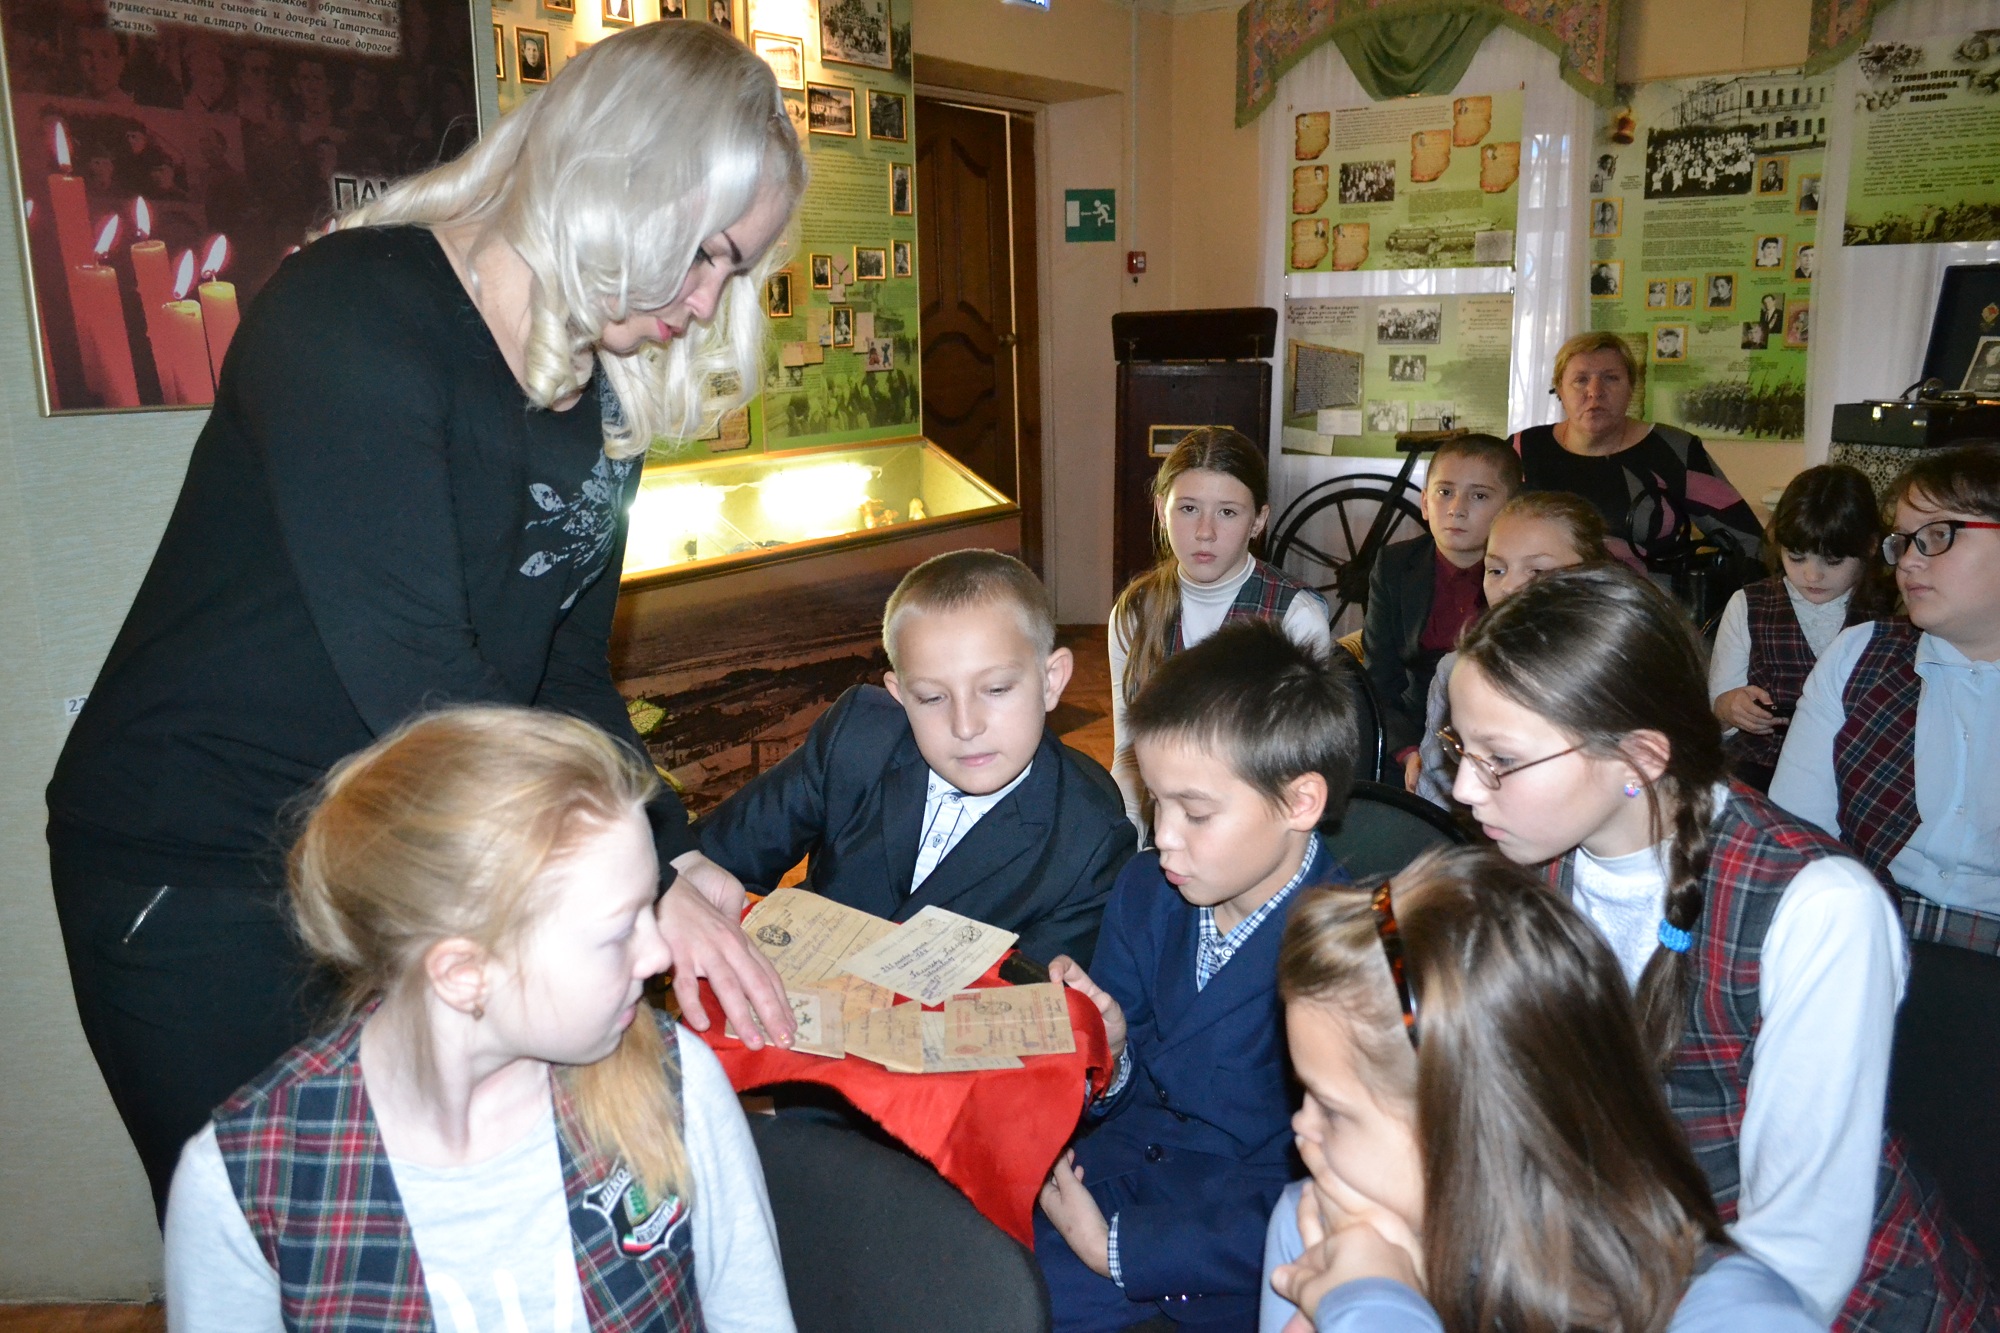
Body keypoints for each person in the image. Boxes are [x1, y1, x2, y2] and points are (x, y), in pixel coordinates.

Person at [46, 22, 807, 1217]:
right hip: (199, 860)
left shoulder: (601, 387)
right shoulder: (353, 315)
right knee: (280, 1238)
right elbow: (421, 685)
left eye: (737, 272)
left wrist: (677, 848)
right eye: (704, 253)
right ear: (620, 176)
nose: (709, 303)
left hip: (402, 855)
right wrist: (636, 884)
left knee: (417, 1227)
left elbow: (561, 670)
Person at [1445, 565, 1995, 1330]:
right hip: (1619, 1262)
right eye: (1460, 746)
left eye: (1499, 759)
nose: (1464, 790)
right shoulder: (1524, 863)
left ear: (1639, 759)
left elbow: (1801, 1253)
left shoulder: (1817, 907)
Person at [162, 706, 792, 1331]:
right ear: (464, 974)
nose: (657, 955)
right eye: (619, 931)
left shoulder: (676, 1084)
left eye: (650, 909)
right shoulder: (247, 1186)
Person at [1259, 846, 1822, 1333]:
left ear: (1474, 1126)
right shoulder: (1316, 1227)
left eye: (1332, 1110)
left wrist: (1372, 1303)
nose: (1300, 1127)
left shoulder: (1728, 1307)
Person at [1035, 621, 1357, 1332]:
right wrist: (1111, 1049)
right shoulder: (1147, 889)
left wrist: (1114, 1248)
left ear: (1300, 802)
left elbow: (1331, 1198)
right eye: (1156, 801)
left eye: (1196, 812)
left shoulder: (1351, 958)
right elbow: (1121, 1095)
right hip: (1102, 1177)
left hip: (1211, 1256)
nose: (1163, 836)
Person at [1770, 443, 2000, 1262]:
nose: (1907, 561)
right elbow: (1798, 847)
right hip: (1881, 953)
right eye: (1903, 540)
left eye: (1939, 535)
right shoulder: (1862, 657)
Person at [698, 550, 1134, 966]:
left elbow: (1035, 1000)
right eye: (931, 697)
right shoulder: (859, 737)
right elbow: (713, 860)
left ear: (1051, 680)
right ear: (900, 695)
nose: (965, 726)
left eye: (996, 689)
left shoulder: (1090, 838)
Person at [1109, 427, 1329, 828]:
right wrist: (1128, 836)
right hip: (1161, 819)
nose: (1205, 532)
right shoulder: (1135, 612)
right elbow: (1128, 751)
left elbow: (1298, 767)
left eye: (1227, 512)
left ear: (1258, 520)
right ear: (1161, 510)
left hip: (1254, 825)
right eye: (1188, 509)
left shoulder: (1295, 615)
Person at [1409, 491, 1608, 807]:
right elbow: (1435, 795)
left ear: (1592, 578)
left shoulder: (1615, 674)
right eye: (1496, 570)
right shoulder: (1456, 671)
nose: (1509, 587)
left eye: (1537, 571)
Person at [1515, 332, 1764, 574]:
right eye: (1580, 380)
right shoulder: (1523, 449)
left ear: (1631, 388)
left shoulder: (1673, 449)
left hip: (1647, 598)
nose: (1595, 391)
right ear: (1559, 389)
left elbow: (1747, 540)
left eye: (1611, 378)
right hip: (1542, 597)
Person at [1710, 465, 1892, 793]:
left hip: (1856, 772)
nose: (1812, 576)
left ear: (1869, 546)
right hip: (1762, 769)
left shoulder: (1891, 612)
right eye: (1796, 557)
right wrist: (1730, 707)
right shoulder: (1749, 604)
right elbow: (1717, 713)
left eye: (1833, 561)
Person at [1364, 434, 1519, 781]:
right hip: (1411, 727)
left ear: (1511, 507)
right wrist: (1408, 752)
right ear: (1424, 503)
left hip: (1502, 730)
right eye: (1445, 492)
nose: (1457, 509)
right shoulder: (1394, 565)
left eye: (1479, 496)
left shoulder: (1523, 572)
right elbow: (1379, 678)